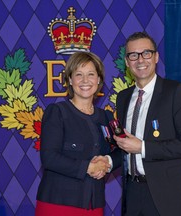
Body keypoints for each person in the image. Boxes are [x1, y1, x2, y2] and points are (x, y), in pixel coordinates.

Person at [109, 32, 181, 216]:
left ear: (156, 57)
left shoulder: (177, 92)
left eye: (146, 53)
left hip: (169, 198)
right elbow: (125, 145)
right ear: (127, 62)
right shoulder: (123, 97)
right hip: (133, 193)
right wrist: (109, 161)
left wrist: (143, 148)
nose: (140, 60)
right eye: (133, 55)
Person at [35, 51, 112, 216]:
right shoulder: (57, 112)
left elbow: (120, 150)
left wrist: (107, 161)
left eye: (91, 74)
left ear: (99, 80)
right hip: (58, 203)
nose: (85, 80)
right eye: (79, 75)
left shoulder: (106, 117)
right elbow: (49, 158)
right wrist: (88, 168)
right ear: (70, 80)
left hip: (94, 204)